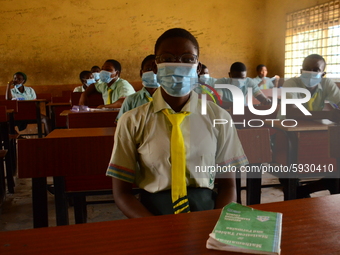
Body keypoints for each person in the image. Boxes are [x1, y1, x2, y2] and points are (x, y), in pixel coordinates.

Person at [106, 28, 248, 218]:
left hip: (207, 212)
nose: (177, 65)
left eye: (188, 59)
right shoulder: (132, 120)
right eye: (167, 58)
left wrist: (218, 223)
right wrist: (152, 228)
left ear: (198, 68)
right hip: (152, 213)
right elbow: (122, 193)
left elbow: (228, 186)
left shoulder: (218, 117)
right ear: (155, 67)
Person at [116, 54, 159, 120]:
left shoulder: (170, 99)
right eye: (149, 69)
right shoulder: (131, 100)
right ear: (141, 73)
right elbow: (121, 125)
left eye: (157, 69)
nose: (153, 72)